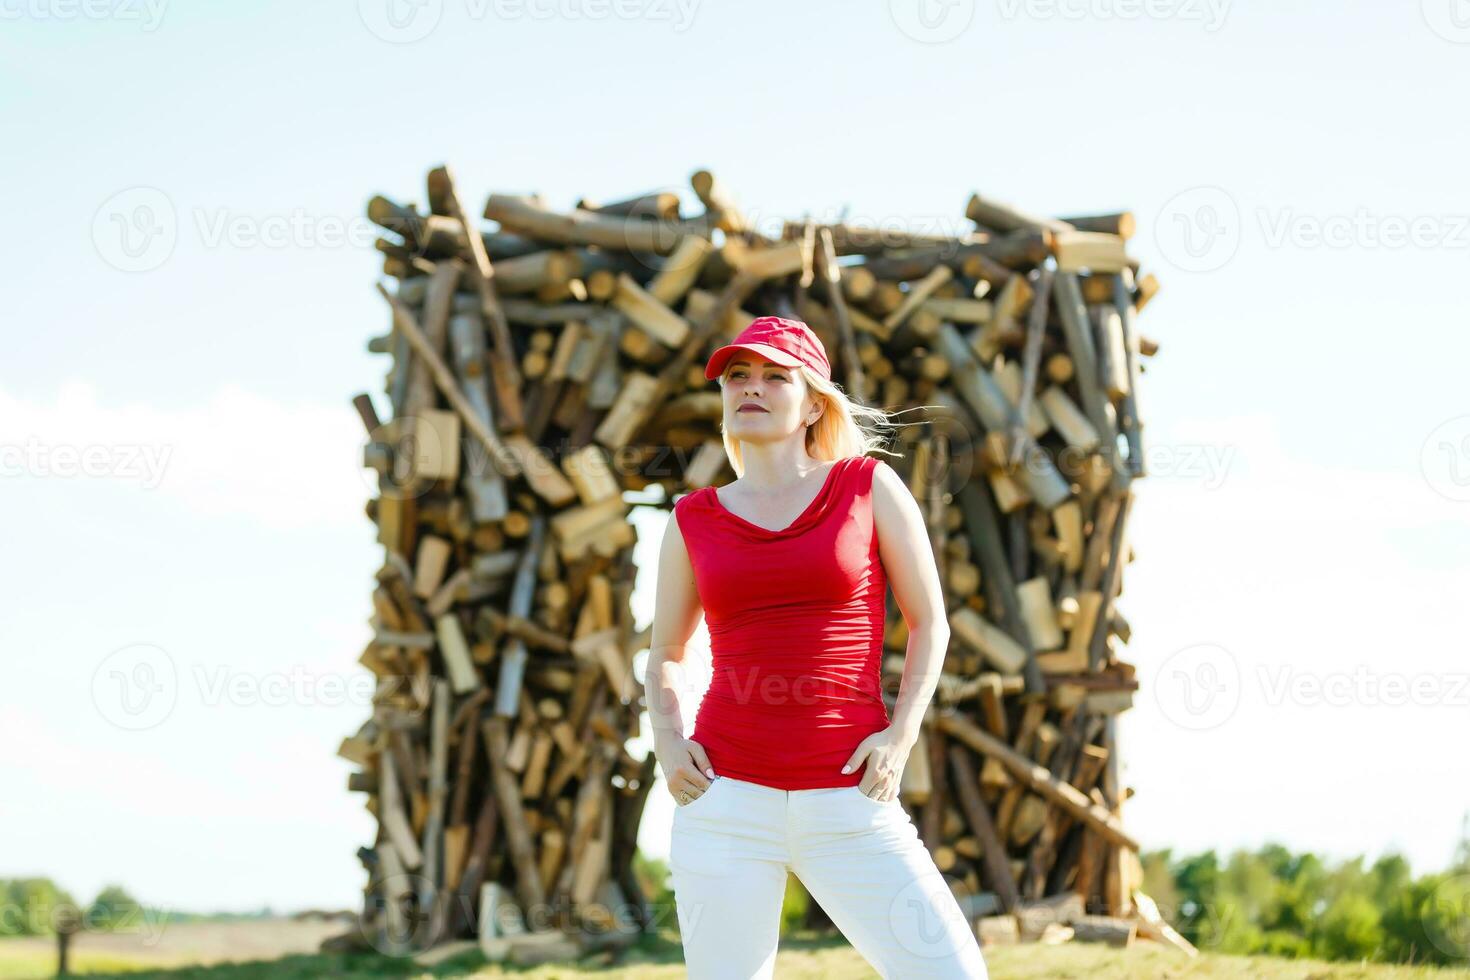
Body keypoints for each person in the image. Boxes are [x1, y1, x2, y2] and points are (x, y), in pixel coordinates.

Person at [647, 316, 990, 978]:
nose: (751, 387)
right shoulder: (693, 518)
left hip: (848, 793)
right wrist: (668, 741)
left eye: (776, 376)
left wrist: (899, 737)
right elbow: (664, 651)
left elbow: (930, 624)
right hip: (724, 801)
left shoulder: (866, 487)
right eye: (737, 376)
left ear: (812, 404)